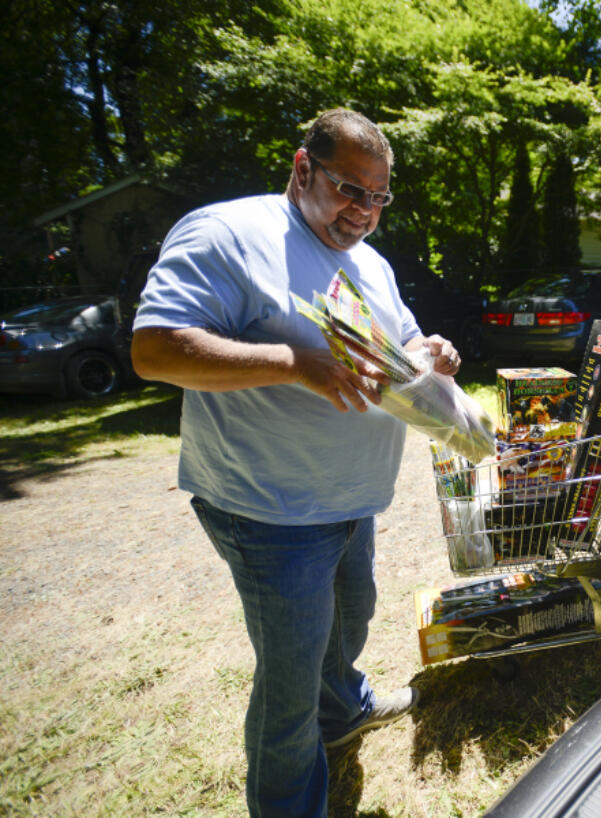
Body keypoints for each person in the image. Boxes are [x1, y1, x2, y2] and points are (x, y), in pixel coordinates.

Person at [131, 108, 461, 817]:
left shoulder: (369, 260)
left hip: (350, 496)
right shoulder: (226, 234)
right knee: (289, 683)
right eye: (351, 190)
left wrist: (430, 351)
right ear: (303, 168)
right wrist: (289, 362)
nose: (365, 212)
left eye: (379, 197)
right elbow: (155, 349)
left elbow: (404, 341)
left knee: (351, 618)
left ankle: (344, 714)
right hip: (270, 508)